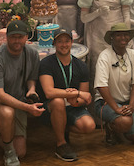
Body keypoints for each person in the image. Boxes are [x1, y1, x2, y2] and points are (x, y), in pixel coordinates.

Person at [0, 19, 69, 166]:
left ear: (27, 37)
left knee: (21, 152)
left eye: (20, 37)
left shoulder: (31, 53)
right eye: (13, 37)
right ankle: (8, 152)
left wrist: (31, 89)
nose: (17, 41)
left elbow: (31, 78)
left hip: (18, 99)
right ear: (6, 38)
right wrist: (27, 107)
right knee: (7, 112)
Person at [36, 29, 92, 157]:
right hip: (50, 107)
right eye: (60, 41)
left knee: (89, 126)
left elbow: (86, 97)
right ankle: (61, 144)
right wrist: (74, 93)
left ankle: (61, 127)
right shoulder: (46, 63)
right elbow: (49, 93)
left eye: (67, 41)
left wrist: (76, 100)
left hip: (73, 107)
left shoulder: (81, 65)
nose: (64, 45)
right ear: (54, 43)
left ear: (72, 42)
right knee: (57, 101)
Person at [92, 23, 134, 145]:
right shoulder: (104, 56)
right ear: (112, 38)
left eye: (126, 35)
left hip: (127, 102)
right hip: (105, 103)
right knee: (125, 122)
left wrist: (131, 106)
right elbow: (101, 86)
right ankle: (111, 128)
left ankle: (121, 127)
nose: (123, 38)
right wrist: (116, 108)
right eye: (119, 35)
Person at [78, 0, 132, 67]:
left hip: (118, 33)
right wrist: (98, 12)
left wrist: (127, 35)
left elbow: (126, 14)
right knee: (100, 66)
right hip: (97, 36)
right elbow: (84, 18)